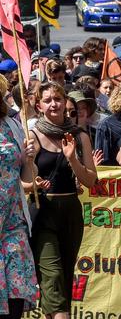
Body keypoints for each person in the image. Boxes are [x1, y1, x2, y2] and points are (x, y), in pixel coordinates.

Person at [31, 82, 97, 318]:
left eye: (57, 99)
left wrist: (73, 160)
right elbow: (23, 180)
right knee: (52, 275)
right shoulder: (33, 136)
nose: (53, 104)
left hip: (70, 210)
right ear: (38, 106)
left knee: (64, 278)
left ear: (65, 102)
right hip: (43, 211)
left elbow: (90, 180)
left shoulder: (79, 136)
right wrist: (33, 180)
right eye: (47, 100)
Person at [0, 75, 38, 318]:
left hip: (13, 225)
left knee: (16, 296)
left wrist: (29, 159)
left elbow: (27, 176)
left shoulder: (12, 125)